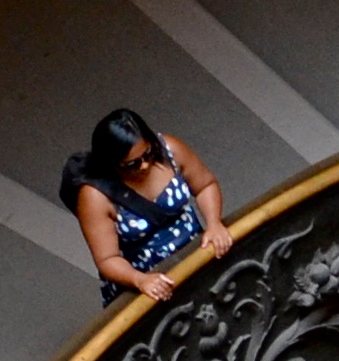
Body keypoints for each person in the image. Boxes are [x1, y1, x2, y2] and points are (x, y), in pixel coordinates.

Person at [62, 107, 224, 300]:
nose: (145, 165)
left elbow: (205, 185)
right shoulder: (95, 196)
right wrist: (139, 279)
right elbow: (107, 258)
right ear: (112, 164)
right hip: (147, 284)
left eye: (148, 154)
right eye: (132, 164)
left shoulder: (170, 150)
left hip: (195, 256)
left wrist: (214, 223)